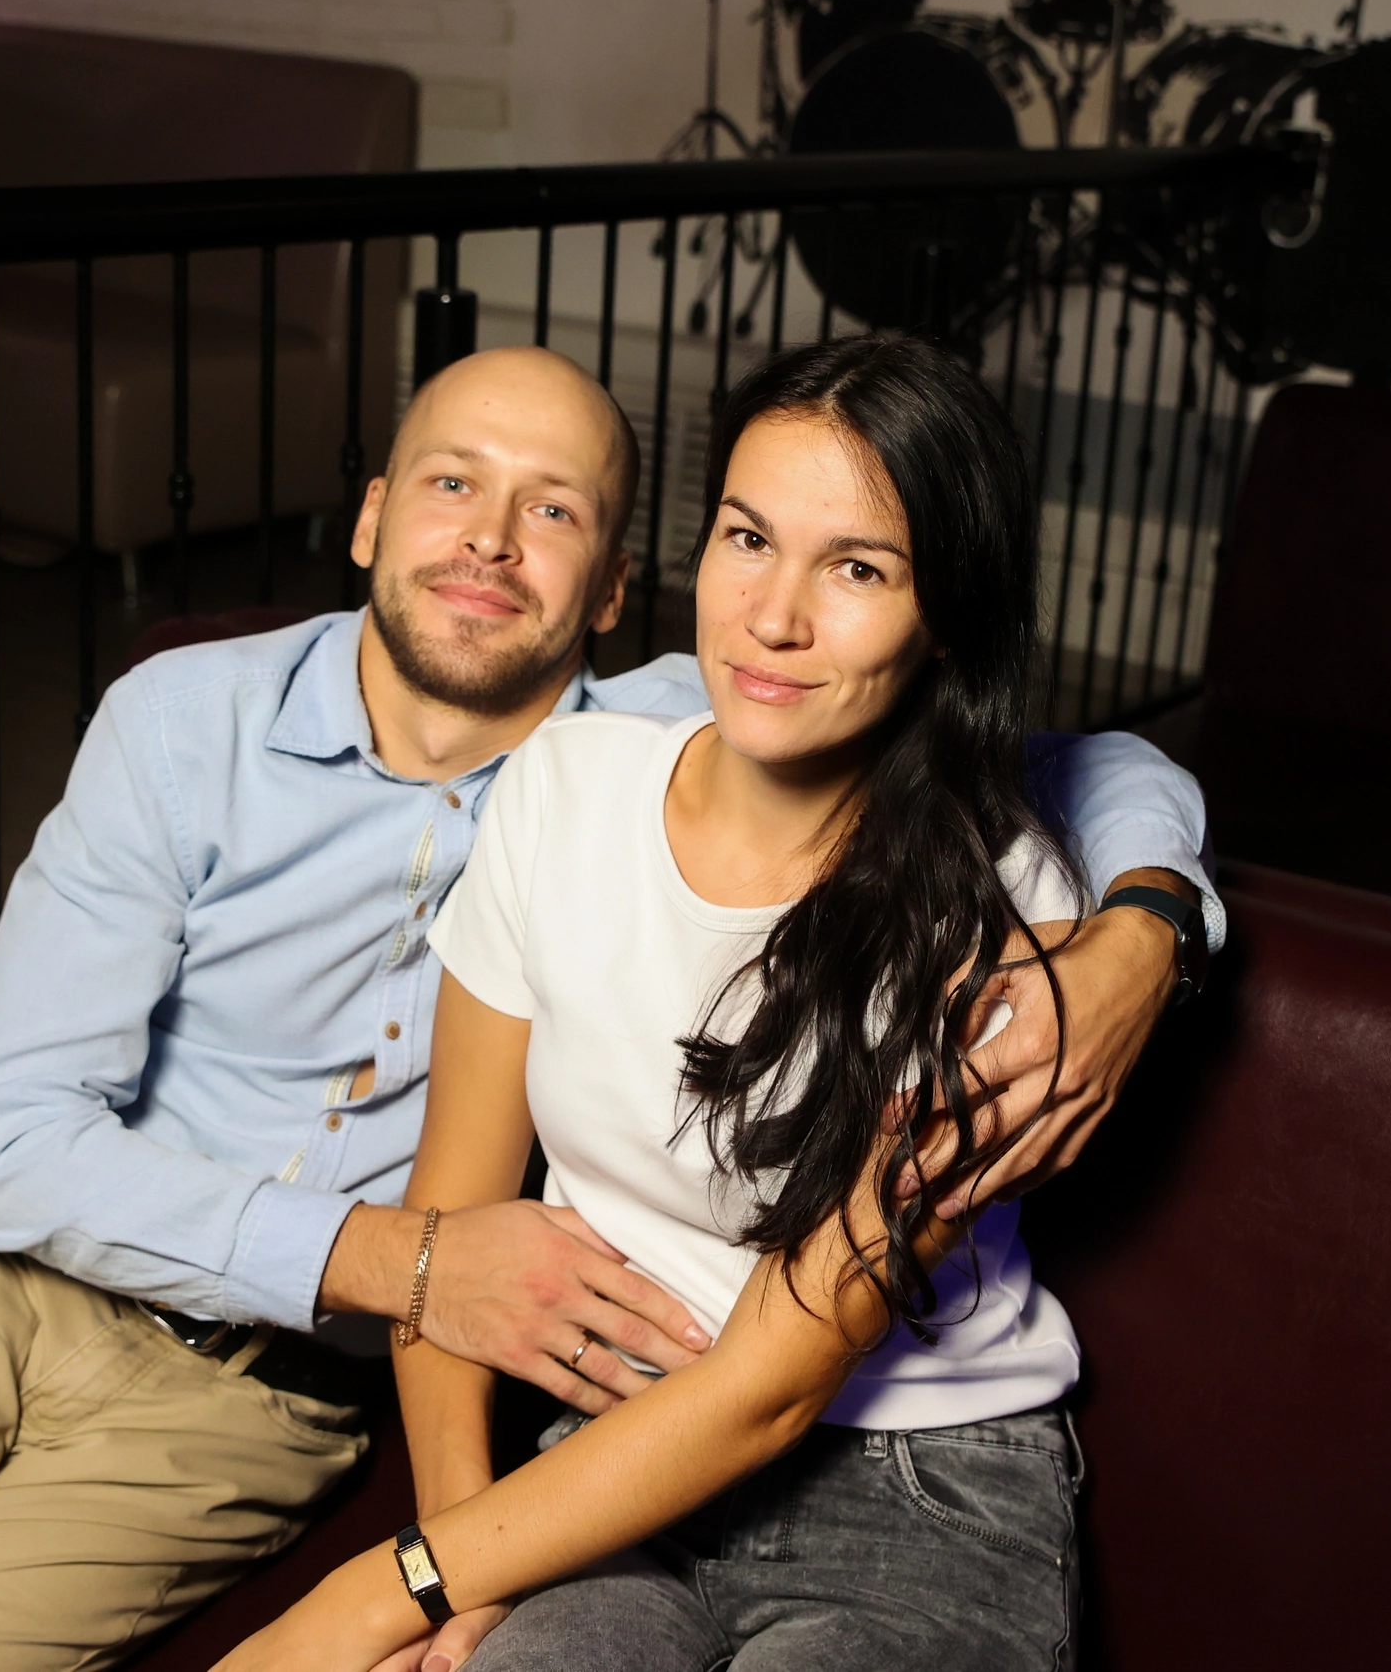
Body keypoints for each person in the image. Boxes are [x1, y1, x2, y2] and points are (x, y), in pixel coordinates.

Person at [0, 346, 1217, 1671]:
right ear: (370, 517)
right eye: (451, 482)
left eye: (553, 508)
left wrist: (1146, 927)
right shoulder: (195, 721)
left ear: (614, 589)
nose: (490, 539)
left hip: (262, 1399)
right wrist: (416, 1268)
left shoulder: (693, 723)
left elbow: (1057, 759)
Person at [222, 334, 1134, 1672]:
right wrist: (460, 1563)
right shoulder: (562, 789)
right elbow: (448, 1227)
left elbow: (775, 1380)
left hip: (916, 1490)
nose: (773, 615)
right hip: (602, 1470)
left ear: (945, 612)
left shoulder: (1003, 911)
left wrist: (380, 1591)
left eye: (858, 569)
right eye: (747, 538)